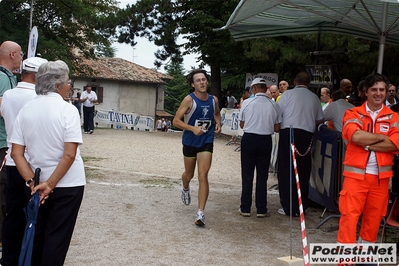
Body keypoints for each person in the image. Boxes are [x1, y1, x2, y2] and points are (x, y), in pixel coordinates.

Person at [10, 60, 85, 266]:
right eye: (68, 82)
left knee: (37, 234)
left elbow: (17, 153)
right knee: (57, 238)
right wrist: (50, 185)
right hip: (67, 183)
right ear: (58, 84)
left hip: (36, 182)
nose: (69, 86)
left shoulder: (26, 110)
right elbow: (69, 154)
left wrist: (32, 183)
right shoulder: (67, 110)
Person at [337, 73, 399, 246]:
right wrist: (382, 137)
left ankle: (365, 260)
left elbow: (395, 144)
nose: (378, 93)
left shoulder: (394, 117)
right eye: (374, 90)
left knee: (373, 222)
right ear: (366, 92)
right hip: (355, 178)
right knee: (349, 219)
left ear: (386, 92)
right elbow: (355, 136)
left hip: (381, 180)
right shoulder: (352, 112)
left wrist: (367, 143)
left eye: (382, 90)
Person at [0, 56, 48, 266]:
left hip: (11, 160)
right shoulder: (38, 99)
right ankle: (28, 258)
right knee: (35, 216)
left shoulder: (8, 94)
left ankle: (9, 259)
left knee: (12, 214)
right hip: (31, 164)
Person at [172, 69, 221, 226]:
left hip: (206, 139)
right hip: (190, 141)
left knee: (203, 175)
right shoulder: (189, 100)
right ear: (193, 84)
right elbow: (176, 121)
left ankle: (200, 213)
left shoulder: (214, 100)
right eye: (198, 80)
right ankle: (185, 187)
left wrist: (218, 123)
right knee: (189, 174)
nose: (202, 82)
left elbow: (217, 114)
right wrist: (193, 129)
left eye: (204, 79)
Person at [277, 71, 323, 216]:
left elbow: (279, 113)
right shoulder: (314, 97)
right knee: (303, 170)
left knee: (286, 169)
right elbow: (320, 118)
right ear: (309, 83)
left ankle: (288, 206)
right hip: (306, 133)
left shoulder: (288, 94)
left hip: (288, 132)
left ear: (295, 81)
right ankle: (301, 205)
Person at [238, 78, 282, 218]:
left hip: (249, 138)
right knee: (262, 175)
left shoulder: (247, 102)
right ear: (265, 88)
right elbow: (277, 127)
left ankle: (245, 207)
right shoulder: (274, 104)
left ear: (255, 88)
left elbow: (242, 124)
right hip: (265, 139)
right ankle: (261, 208)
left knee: (247, 174)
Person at [0, 40, 23, 248]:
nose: (23, 58)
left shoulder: (9, 77)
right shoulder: (2, 78)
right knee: (3, 192)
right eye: (21, 54)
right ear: (13, 54)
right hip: (1, 142)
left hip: (6, 141)